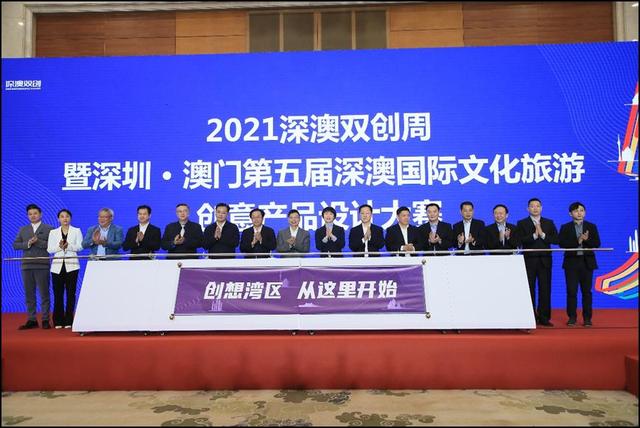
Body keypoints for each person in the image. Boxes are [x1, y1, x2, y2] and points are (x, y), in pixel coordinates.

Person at [516, 198, 558, 327]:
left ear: (541, 208)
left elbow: (556, 239)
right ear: (528, 208)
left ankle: (544, 317)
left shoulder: (549, 223)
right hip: (529, 261)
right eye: (532, 206)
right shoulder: (522, 223)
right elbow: (519, 240)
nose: (535, 208)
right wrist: (534, 236)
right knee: (529, 290)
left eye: (537, 206)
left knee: (545, 289)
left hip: (545, 261)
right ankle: (531, 316)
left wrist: (543, 235)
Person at [559, 202, 601, 327]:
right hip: (571, 263)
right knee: (571, 292)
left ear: (585, 212)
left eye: (581, 210)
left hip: (587, 263)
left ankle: (587, 318)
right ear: (570, 213)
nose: (579, 213)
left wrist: (587, 240)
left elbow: (597, 243)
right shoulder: (565, 227)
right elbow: (562, 243)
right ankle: (572, 317)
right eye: (576, 211)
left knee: (586, 292)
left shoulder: (591, 226)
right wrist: (578, 241)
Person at [13, 204, 54, 330]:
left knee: (44, 294)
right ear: (27, 216)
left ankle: (45, 319)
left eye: (35, 213)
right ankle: (32, 319)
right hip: (27, 265)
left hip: (42, 265)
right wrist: (28, 243)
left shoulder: (49, 229)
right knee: (29, 294)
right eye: (30, 214)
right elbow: (15, 245)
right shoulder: (23, 229)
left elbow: (52, 246)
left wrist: (38, 242)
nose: (33, 216)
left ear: (40, 214)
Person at [47, 209, 83, 329]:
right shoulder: (53, 232)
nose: (65, 218)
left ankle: (69, 320)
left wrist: (69, 246)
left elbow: (80, 247)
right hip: (57, 267)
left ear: (70, 218)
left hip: (72, 266)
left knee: (71, 294)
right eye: (62, 216)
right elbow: (49, 249)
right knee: (58, 294)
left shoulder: (76, 231)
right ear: (58, 219)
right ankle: (58, 320)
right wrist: (60, 247)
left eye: (67, 216)